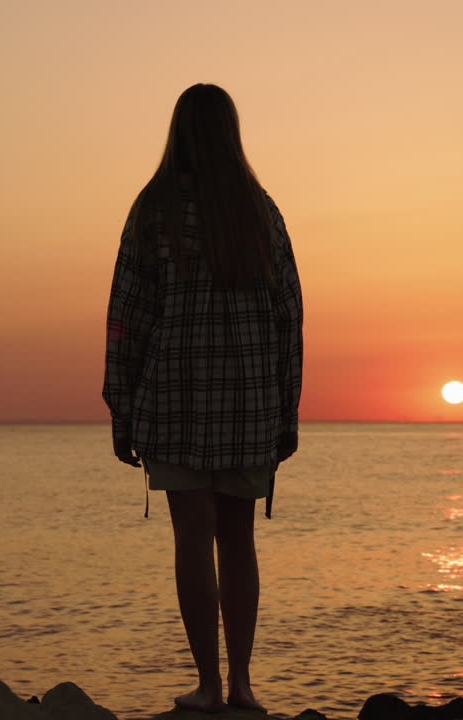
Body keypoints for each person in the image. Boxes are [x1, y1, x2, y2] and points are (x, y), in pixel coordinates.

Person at [102, 83, 304, 713]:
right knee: (238, 540)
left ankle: (210, 686)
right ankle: (242, 684)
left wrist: (120, 404)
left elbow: (127, 314)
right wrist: (288, 408)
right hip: (249, 401)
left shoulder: (154, 208)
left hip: (175, 398)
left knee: (192, 539)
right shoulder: (258, 209)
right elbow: (288, 315)